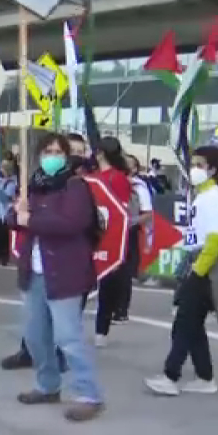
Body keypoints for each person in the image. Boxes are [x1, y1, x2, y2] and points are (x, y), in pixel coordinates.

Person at [9, 132, 104, 422]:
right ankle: (48, 385)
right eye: (47, 151)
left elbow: (72, 222)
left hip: (65, 271)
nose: (52, 156)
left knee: (68, 337)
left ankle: (89, 394)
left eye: (58, 151)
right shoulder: (33, 187)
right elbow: (13, 220)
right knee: (36, 336)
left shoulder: (75, 187)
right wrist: (18, 214)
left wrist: (31, 219)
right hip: (34, 272)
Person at [145, 145, 218, 397]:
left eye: (201, 165)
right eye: (193, 164)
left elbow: (215, 241)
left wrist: (197, 272)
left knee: (185, 322)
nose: (195, 169)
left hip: (206, 264)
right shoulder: (203, 196)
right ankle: (205, 376)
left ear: (213, 170)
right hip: (199, 260)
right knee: (192, 323)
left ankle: (170, 375)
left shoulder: (214, 198)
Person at [86, 136, 133, 347]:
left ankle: (101, 330)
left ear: (101, 153)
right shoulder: (92, 178)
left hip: (110, 236)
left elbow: (121, 212)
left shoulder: (118, 178)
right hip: (90, 235)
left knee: (107, 282)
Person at [118, 153, 154, 322]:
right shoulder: (113, 182)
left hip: (129, 231)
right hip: (112, 230)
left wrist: (130, 221)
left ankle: (121, 309)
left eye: (129, 164)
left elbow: (147, 214)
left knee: (125, 271)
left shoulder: (139, 187)